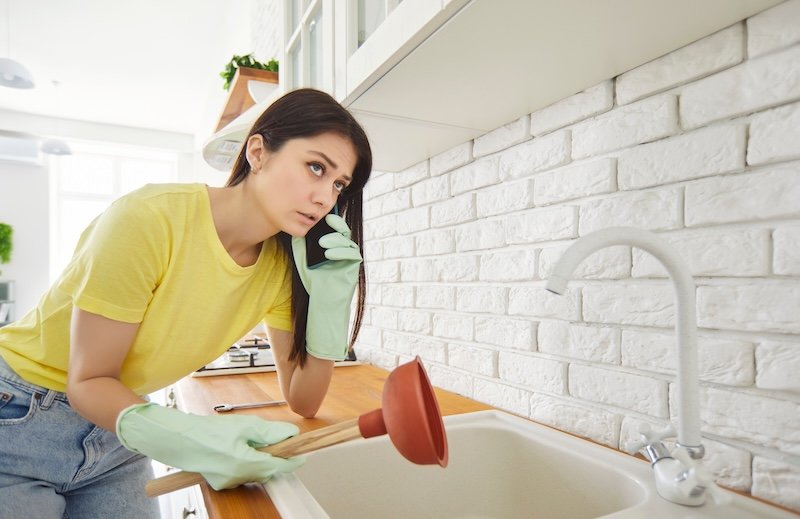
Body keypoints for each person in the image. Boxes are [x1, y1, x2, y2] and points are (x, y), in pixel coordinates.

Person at [0, 88, 372, 518]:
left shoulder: (284, 265)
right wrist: (192, 436)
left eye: (338, 184)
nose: (325, 198)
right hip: (19, 411)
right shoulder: (149, 219)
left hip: (119, 425)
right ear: (258, 151)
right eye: (315, 167)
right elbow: (87, 382)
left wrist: (332, 304)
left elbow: (304, 400)